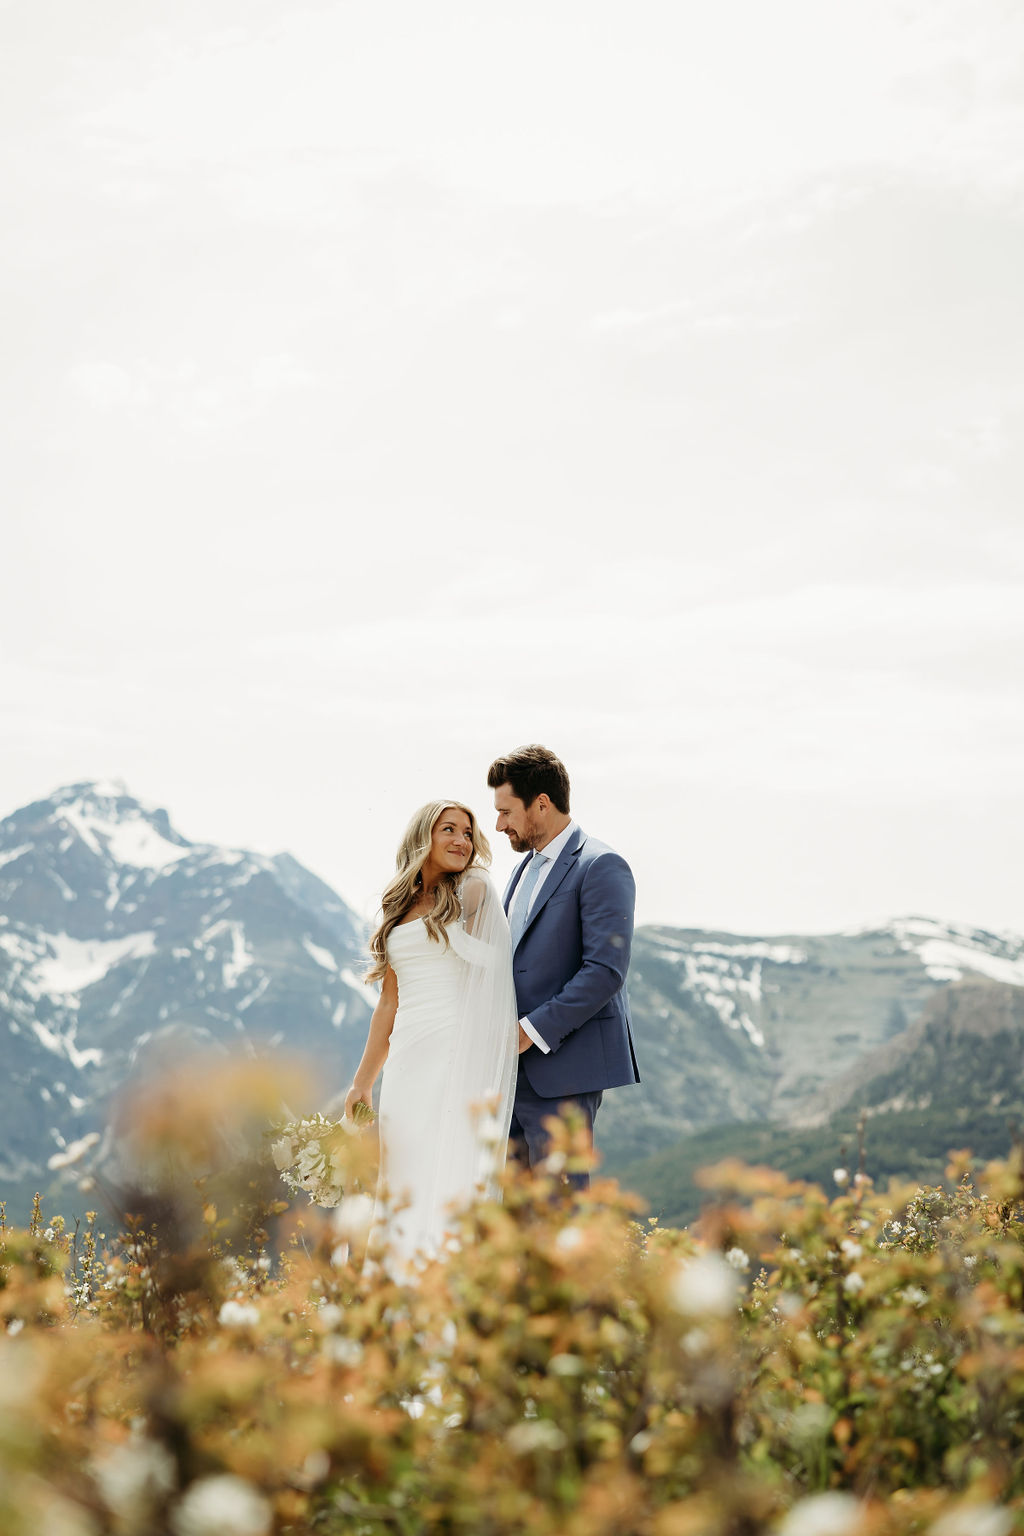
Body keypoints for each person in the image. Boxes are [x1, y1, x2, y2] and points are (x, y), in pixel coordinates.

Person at [344, 801, 518, 1273]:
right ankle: (396, 1284)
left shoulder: (474, 887)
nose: (462, 840)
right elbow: (388, 1004)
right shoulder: (395, 905)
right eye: (449, 830)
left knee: (448, 1165)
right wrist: (363, 1082)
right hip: (407, 1058)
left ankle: (443, 1284)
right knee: (402, 1170)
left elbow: (490, 957)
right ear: (425, 835)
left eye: (468, 831)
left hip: (455, 1048)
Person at [486, 745, 639, 1188]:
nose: (499, 825)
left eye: (506, 811)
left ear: (541, 803)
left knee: (559, 1215)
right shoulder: (520, 872)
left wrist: (529, 1032)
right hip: (510, 1074)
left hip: (564, 1072)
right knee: (512, 1220)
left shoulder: (601, 865)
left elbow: (606, 970)